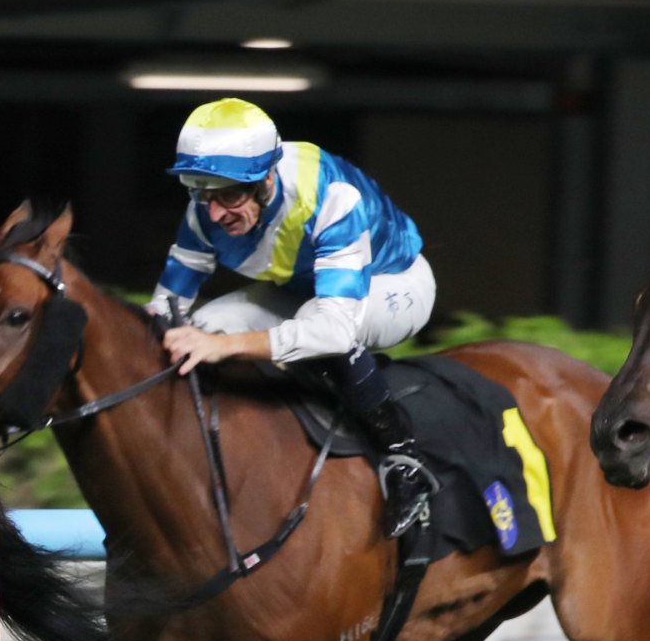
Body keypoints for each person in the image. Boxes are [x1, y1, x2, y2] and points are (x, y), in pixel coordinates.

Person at [148, 98, 438, 538]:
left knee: (315, 328)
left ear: (266, 178)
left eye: (229, 194)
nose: (214, 213)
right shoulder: (204, 211)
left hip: (393, 284)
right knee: (203, 327)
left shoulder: (331, 198)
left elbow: (333, 329)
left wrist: (225, 348)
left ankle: (406, 461)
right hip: (302, 289)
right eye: (201, 192)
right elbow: (164, 309)